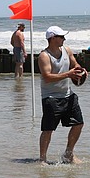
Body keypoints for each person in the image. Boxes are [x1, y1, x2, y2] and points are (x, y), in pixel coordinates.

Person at [38, 26, 85, 164]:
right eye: (61, 36)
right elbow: (47, 77)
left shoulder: (67, 50)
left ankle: (68, 154)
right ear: (53, 38)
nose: (64, 38)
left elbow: (75, 65)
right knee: (48, 130)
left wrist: (81, 71)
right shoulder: (44, 56)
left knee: (79, 124)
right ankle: (42, 159)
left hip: (68, 95)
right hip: (51, 97)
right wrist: (68, 74)